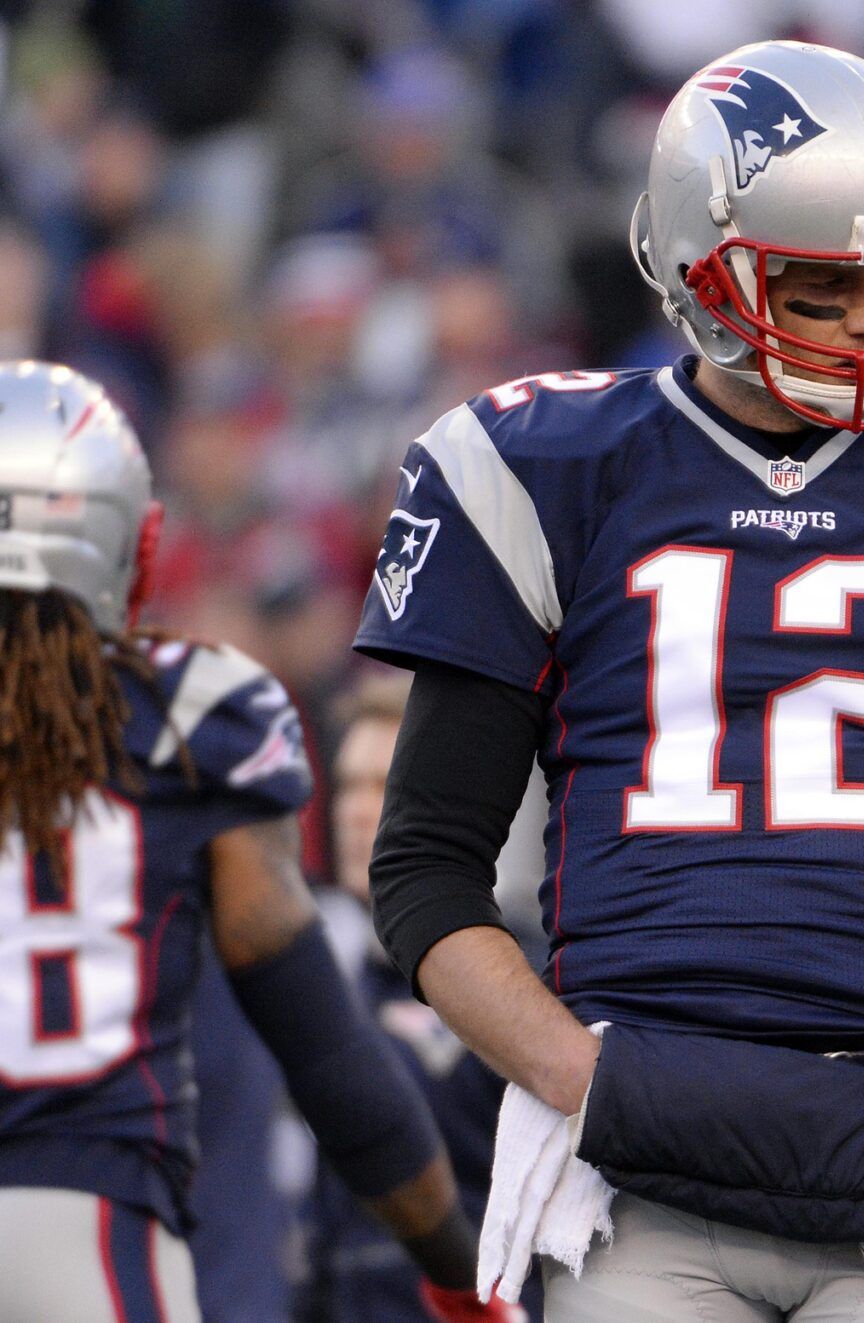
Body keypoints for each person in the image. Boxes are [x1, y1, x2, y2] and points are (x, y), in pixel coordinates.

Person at [354, 39, 864, 1322]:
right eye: (820, 288)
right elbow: (421, 873)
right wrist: (584, 1082)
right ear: (698, 269)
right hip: (637, 1169)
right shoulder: (544, 466)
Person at [0, 362, 517, 1323]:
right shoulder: (188, 714)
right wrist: (454, 1271)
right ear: (126, 542)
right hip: (90, 1226)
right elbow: (325, 1049)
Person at [306, 672, 542, 1321]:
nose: (355, 810)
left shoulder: (531, 981)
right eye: (348, 784)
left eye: (382, 785)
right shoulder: (326, 980)